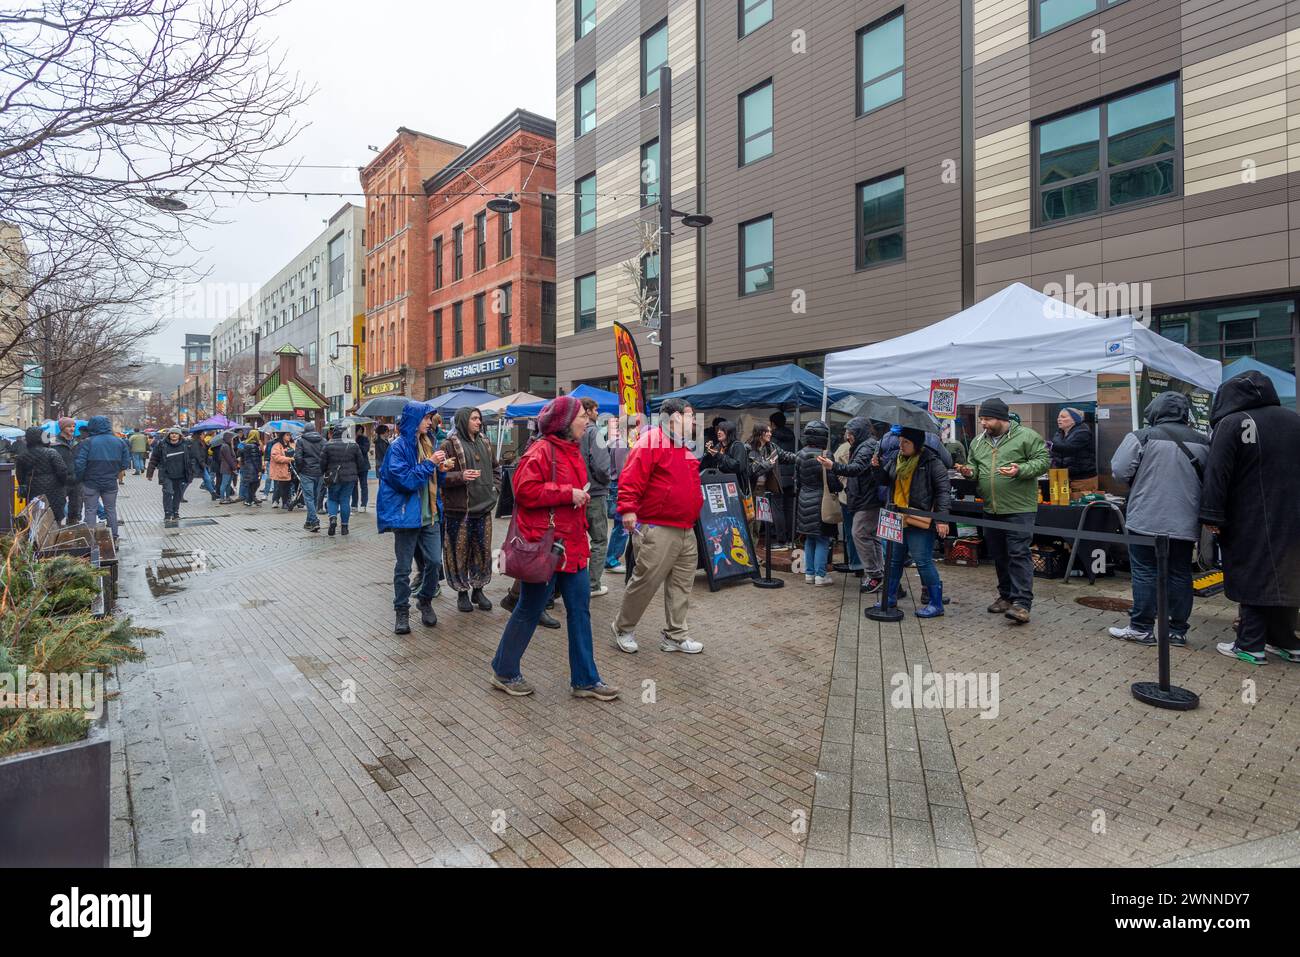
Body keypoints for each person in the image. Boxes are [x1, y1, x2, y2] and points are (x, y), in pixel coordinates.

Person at [490, 395, 619, 701]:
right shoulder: (541, 449)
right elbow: (523, 490)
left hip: (571, 546)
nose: (587, 420)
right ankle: (504, 670)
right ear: (564, 422)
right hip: (549, 548)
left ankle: (586, 679)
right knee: (530, 609)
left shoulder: (571, 449)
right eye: (581, 417)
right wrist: (568, 494)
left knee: (580, 611)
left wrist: (577, 497)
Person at [1199, 370, 1300, 665]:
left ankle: (1250, 644)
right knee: (1288, 574)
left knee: (1253, 573)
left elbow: (1217, 474)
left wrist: (1211, 515)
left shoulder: (1233, 423)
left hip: (1250, 514)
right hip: (1293, 515)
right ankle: (1287, 641)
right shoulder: (1294, 420)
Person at [1107, 392, 1209, 647]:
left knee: (1144, 571)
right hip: (1185, 519)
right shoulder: (1204, 441)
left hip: (1145, 516)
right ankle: (1177, 631)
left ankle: (1141, 627)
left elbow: (1119, 471)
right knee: (1180, 573)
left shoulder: (1140, 436)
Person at [610, 398, 705, 655]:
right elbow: (631, 477)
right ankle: (623, 627)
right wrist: (628, 509)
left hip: (685, 526)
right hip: (658, 526)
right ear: (673, 418)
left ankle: (676, 635)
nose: (694, 420)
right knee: (646, 581)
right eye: (689, 415)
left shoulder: (685, 446)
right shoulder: (650, 441)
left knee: (682, 584)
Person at [830, 427, 951, 616]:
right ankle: (890, 597)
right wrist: (876, 467)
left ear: (917, 444)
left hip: (918, 520)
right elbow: (883, 481)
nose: (901, 445)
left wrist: (942, 519)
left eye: (906, 442)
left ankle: (936, 603)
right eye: (901, 441)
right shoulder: (896, 459)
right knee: (893, 561)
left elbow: (943, 491)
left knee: (923, 561)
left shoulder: (932, 463)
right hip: (895, 518)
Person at [956, 398, 1049, 624]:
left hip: (1019, 507)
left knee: (1018, 553)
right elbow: (977, 467)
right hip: (991, 507)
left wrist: (1021, 469)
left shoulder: (1027, 436)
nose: (983, 423)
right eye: (981, 419)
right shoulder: (978, 442)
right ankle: (1006, 596)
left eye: (987, 419)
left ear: (1001, 418)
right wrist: (969, 471)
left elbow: (1044, 461)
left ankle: (1022, 604)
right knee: (999, 554)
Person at [376, 402, 447, 634]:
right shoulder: (397, 448)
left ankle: (425, 599)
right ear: (414, 420)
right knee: (403, 567)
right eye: (426, 418)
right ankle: (402, 610)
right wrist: (430, 464)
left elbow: (433, 480)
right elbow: (405, 481)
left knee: (435, 563)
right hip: (407, 516)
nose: (429, 422)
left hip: (430, 514)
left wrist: (441, 470)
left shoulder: (429, 443)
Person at [440, 406, 500, 613]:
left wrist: (495, 489)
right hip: (459, 511)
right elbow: (438, 476)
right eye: (474, 418)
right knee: (459, 553)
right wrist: (460, 476)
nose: (478, 422)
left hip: (483, 509)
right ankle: (461, 593)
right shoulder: (448, 445)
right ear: (463, 420)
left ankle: (478, 589)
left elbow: (495, 468)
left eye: (479, 418)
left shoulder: (485, 442)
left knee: (482, 552)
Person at [825, 417, 885, 593]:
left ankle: (875, 575)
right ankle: (879, 573)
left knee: (858, 533)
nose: (846, 436)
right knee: (871, 536)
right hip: (865, 497)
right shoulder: (864, 445)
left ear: (858, 432)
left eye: (850, 433)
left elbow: (856, 469)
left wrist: (832, 466)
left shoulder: (866, 447)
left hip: (868, 499)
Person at [794, 420, 842, 586]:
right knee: (822, 539)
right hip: (822, 502)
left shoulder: (799, 454)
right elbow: (832, 481)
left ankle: (809, 574)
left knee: (810, 539)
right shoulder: (825, 455)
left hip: (804, 500)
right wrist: (840, 486)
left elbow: (798, 480)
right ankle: (821, 575)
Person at [74, 415, 130, 543]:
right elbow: (125, 463)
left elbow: (80, 464)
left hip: (90, 482)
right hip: (110, 482)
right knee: (111, 509)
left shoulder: (87, 442)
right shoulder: (119, 441)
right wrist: (114, 472)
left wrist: (81, 478)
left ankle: (90, 539)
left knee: (90, 510)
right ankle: (114, 537)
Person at [578, 397, 612, 597]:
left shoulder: (571, 433)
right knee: (599, 540)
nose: (598, 413)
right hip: (595, 492)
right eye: (596, 409)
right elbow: (601, 465)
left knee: (575, 539)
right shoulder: (593, 432)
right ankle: (593, 585)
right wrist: (604, 481)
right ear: (589, 411)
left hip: (574, 493)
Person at [749, 422, 797, 549]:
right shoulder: (748, 448)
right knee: (750, 521)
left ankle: (752, 552)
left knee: (757, 524)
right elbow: (752, 470)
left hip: (763, 489)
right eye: (768, 432)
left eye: (771, 431)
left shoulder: (772, 447)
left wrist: (802, 457)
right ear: (760, 434)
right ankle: (749, 553)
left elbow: (786, 456)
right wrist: (768, 464)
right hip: (750, 490)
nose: (770, 434)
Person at [16, 426, 68, 522]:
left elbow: (20, 476)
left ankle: (37, 535)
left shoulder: (22, 456)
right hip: (54, 489)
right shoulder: (51, 453)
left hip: (32, 489)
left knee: (36, 514)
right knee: (55, 515)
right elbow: (62, 470)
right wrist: (62, 483)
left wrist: (24, 486)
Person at [321, 424, 366, 536]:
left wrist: (324, 472)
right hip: (349, 478)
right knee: (345, 500)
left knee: (332, 499)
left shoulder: (328, 445)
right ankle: (344, 527)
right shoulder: (353, 445)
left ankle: (333, 519)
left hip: (333, 477)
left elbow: (322, 463)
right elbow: (361, 463)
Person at [604, 413, 634, 574]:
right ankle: (611, 559)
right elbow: (624, 470)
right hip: (619, 486)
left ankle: (612, 558)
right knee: (620, 526)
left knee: (620, 525)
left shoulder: (619, 442)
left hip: (617, 486)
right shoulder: (621, 444)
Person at [146, 427, 194, 525]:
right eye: (172, 433)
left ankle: (175, 512)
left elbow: (192, 459)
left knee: (178, 494)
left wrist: (191, 472)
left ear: (180, 435)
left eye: (176, 434)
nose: (174, 435)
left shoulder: (186, 445)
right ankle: (168, 514)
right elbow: (154, 459)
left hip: (181, 475)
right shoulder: (162, 445)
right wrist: (150, 473)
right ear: (169, 435)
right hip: (167, 474)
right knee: (167, 492)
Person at [832, 427, 861, 574]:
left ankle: (856, 564)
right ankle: (865, 564)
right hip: (864, 498)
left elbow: (834, 469)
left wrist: (839, 484)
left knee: (850, 531)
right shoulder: (869, 448)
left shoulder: (843, 449)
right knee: (865, 533)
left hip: (846, 495)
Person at [1050, 407, 1098, 494]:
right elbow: (1055, 454)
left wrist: (1051, 446)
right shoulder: (1059, 433)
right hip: (1063, 477)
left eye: (1063, 417)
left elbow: (1069, 448)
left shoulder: (1083, 431)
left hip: (1082, 479)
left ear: (1074, 420)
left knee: (1080, 504)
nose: (1059, 419)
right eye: (1058, 417)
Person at [770, 411, 797, 547]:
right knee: (789, 508)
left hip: (778, 477)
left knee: (777, 509)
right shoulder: (793, 436)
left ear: (773, 424)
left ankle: (781, 540)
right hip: (792, 477)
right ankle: (791, 539)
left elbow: (770, 457)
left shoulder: (773, 439)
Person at [294, 422, 325, 532]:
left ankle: (314, 520)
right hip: (319, 472)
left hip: (306, 472)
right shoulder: (322, 440)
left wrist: (300, 468)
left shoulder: (301, 441)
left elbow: (298, 457)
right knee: (314, 498)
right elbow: (325, 456)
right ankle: (309, 522)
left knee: (308, 498)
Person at [52, 418, 81, 525]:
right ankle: (59, 526)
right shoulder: (54, 443)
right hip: (61, 480)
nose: (72, 429)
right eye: (69, 426)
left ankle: (73, 525)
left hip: (76, 478)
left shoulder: (77, 442)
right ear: (62, 428)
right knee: (59, 507)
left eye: (73, 426)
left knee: (75, 507)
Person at [237, 429, 264, 506]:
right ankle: (249, 500)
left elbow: (240, 454)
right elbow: (255, 459)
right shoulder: (253, 446)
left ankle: (248, 499)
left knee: (249, 484)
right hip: (253, 469)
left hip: (246, 467)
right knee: (254, 484)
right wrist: (259, 470)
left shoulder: (244, 444)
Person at [269, 433, 295, 509]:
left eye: (290, 435)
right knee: (282, 487)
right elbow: (276, 457)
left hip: (291, 470)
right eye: (287, 435)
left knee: (288, 487)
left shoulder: (292, 444)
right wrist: (289, 459)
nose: (289, 436)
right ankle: (282, 502)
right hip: (281, 470)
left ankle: (287, 502)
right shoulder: (277, 445)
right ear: (283, 436)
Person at [352, 424, 372, 511]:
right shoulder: (350, 439)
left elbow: (365, 450)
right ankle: (354, 504)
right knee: (354, 485)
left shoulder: (365, 439)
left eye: (361, 430)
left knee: (363, 485)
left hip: (363, 466)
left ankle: (364, 504)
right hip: (353, 465)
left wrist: (356, 444)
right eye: (358, 430)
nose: (360, 431)